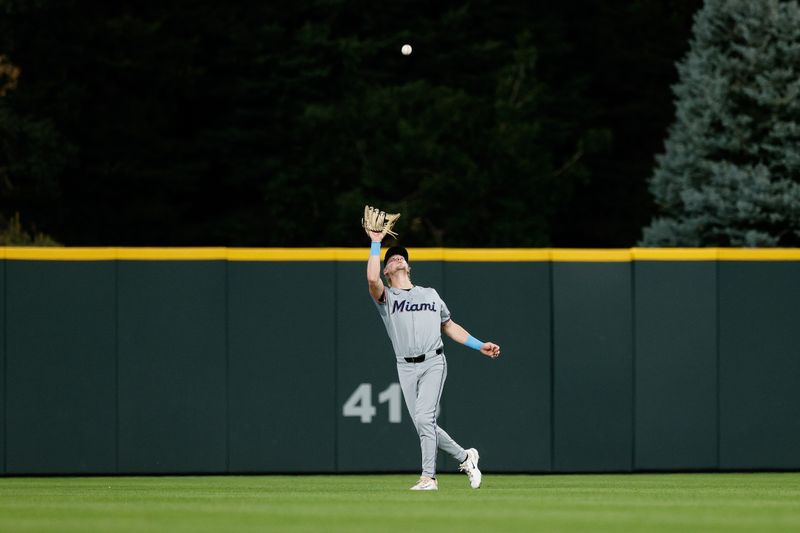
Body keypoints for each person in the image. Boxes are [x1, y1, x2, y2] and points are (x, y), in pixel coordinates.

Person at [366, 230, 501, 491]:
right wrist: (375, 243)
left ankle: (429, 478)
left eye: (400, 257)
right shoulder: (387, 299)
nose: (396, 259)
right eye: (391, 259)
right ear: (386, 272)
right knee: (423, 424)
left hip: (433, 362)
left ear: (408, 265)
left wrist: (479, 344)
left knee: (424, 420)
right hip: (405, 366)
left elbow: (449, 326)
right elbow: (371, 279)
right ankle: (465, 457)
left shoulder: (430, 294)